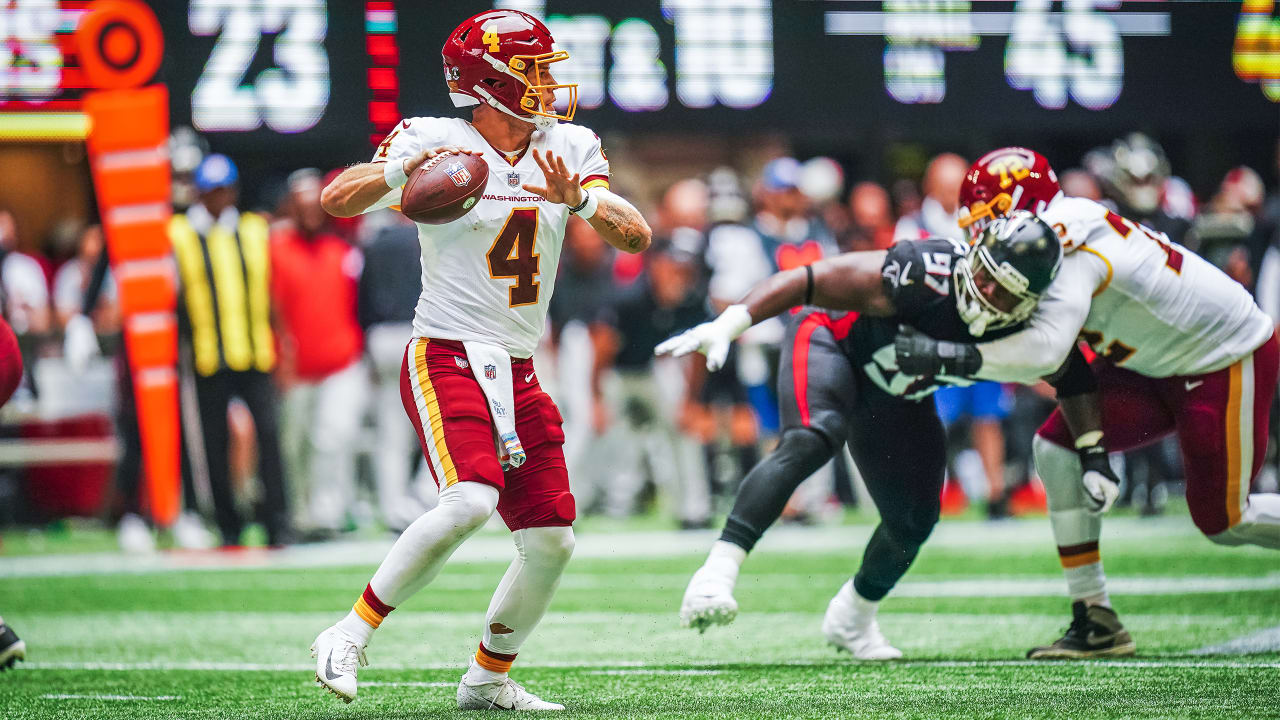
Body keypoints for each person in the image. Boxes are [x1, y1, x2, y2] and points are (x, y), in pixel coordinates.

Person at [310, 9, 650, 711]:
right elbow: (336, 200)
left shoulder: (571, 147)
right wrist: (402, 169)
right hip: (446, 351)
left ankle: (487, 679)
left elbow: (636, 235)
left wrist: (580, 201)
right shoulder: (435, 139)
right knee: (469, 500)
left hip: (521, 364)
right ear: (492, 80)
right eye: (536, 69)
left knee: (553, 540)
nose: (551, 82)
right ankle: (348, 633)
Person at [897, 146, 1280, 659]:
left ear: (1019, 208)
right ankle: (1095, 617)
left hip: (1220, 357)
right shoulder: (1047, 240)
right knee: (1057, 450)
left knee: (1225, 519)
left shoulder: (1064, 243)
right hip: (1152, 362)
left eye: (987, 221)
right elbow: (1060, 364)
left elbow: (1047, 350)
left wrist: (946, 358)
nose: (978, 237)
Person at [659, 212, 1088, 658]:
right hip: (833, 339)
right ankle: (718, 570)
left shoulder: (1032, 325)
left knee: (915, 519)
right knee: (813, 436)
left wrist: (1094, 454)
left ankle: (853, 617)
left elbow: (1074, 377)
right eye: (986, 275)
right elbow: (809, 279)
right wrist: (732, 321)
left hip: (898, 390)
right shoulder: (927, 271)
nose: (987, 292)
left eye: (1007, 292)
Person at [170, 153, 292, 548]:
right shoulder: (180, 234)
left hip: (255, 350)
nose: (219, 198)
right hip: (208, 354)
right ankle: (227, 524)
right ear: (199, 193)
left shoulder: (255, 229)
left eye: (224, 190)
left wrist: (284, 341)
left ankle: (277, 521)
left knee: (270, 437)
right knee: (213, 443)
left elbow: (271, 290)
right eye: (211, 191)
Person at [271, 168, 368, 537]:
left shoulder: (341, 251)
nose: (311, 213)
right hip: (294, 366)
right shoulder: (276, 249)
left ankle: (328, 513)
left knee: (332, 436)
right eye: (304, 206)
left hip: (340, 361)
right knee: (294, 443)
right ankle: (300, 513)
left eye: (317, 206)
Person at [358, 209, 432, 531]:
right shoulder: (426, 238)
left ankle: (393, 507)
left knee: (391, 430)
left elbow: (363, 300)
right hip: (418, 333)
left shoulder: (375, 242)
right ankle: (423, 497)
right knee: (435, 423)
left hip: (382, 337)